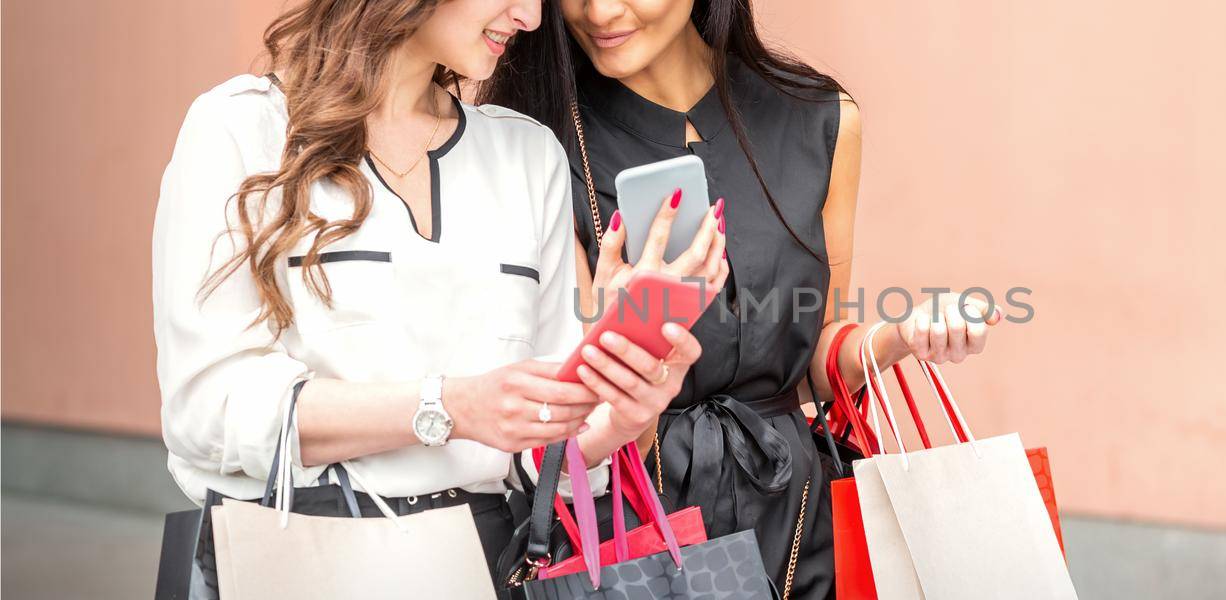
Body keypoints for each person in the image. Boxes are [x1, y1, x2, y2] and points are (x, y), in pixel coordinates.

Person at [152, 1, 717, 596]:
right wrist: (446, 408)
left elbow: (543, 454)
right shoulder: (242, 128)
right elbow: (206, 409)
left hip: (493, 563)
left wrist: (620, 414)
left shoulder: (526, 154)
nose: (529, 17)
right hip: (300, 558)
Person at [480, 1, 1004, 596]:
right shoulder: (537, 142)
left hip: (803, 523)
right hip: (635, 536)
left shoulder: (819, 117)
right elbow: (573, 405)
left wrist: (901, 337)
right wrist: (635, 325)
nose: (599, 10)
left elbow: (812, 361)